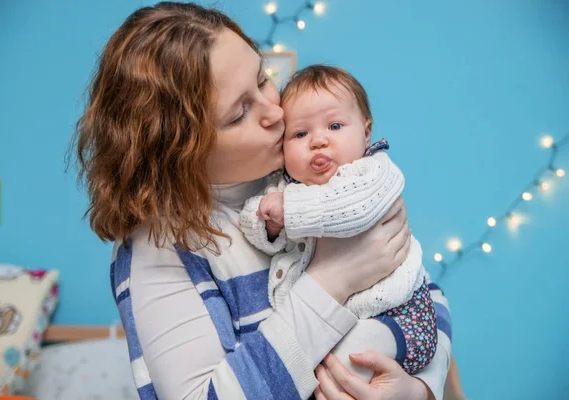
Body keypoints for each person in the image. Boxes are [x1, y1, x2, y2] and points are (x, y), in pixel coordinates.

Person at [73, 2, 453, 399]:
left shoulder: (302, 176)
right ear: (180, 149)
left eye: (263, 78)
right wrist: (333, 278)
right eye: (240, 113)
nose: (275, 110)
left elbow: (421, 290)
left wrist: (417, 390)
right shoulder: (162, 247)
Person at [238, 65, 438, 382]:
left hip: (397, 315)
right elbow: (253, 217)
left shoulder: (373, 171)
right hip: (330, 322)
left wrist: (288, 210)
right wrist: (271, 224)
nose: (318, 141)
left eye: (334, 126)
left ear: (366, 132)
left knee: (347, 364)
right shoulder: (287, 187)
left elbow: (352, 209)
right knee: (322, 372)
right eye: (300, 134)